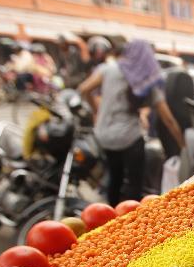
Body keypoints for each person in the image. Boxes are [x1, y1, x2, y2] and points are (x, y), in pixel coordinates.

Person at [78, 39, 185, 206]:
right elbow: (168, 119)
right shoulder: (147, 80)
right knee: (134, 184)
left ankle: (111, 218)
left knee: (115, 179)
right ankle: (131, 222)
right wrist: (183, 144)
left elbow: (84, 89)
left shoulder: (109, 69)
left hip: (105, 136)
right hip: (129, 138)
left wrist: (97, 111)